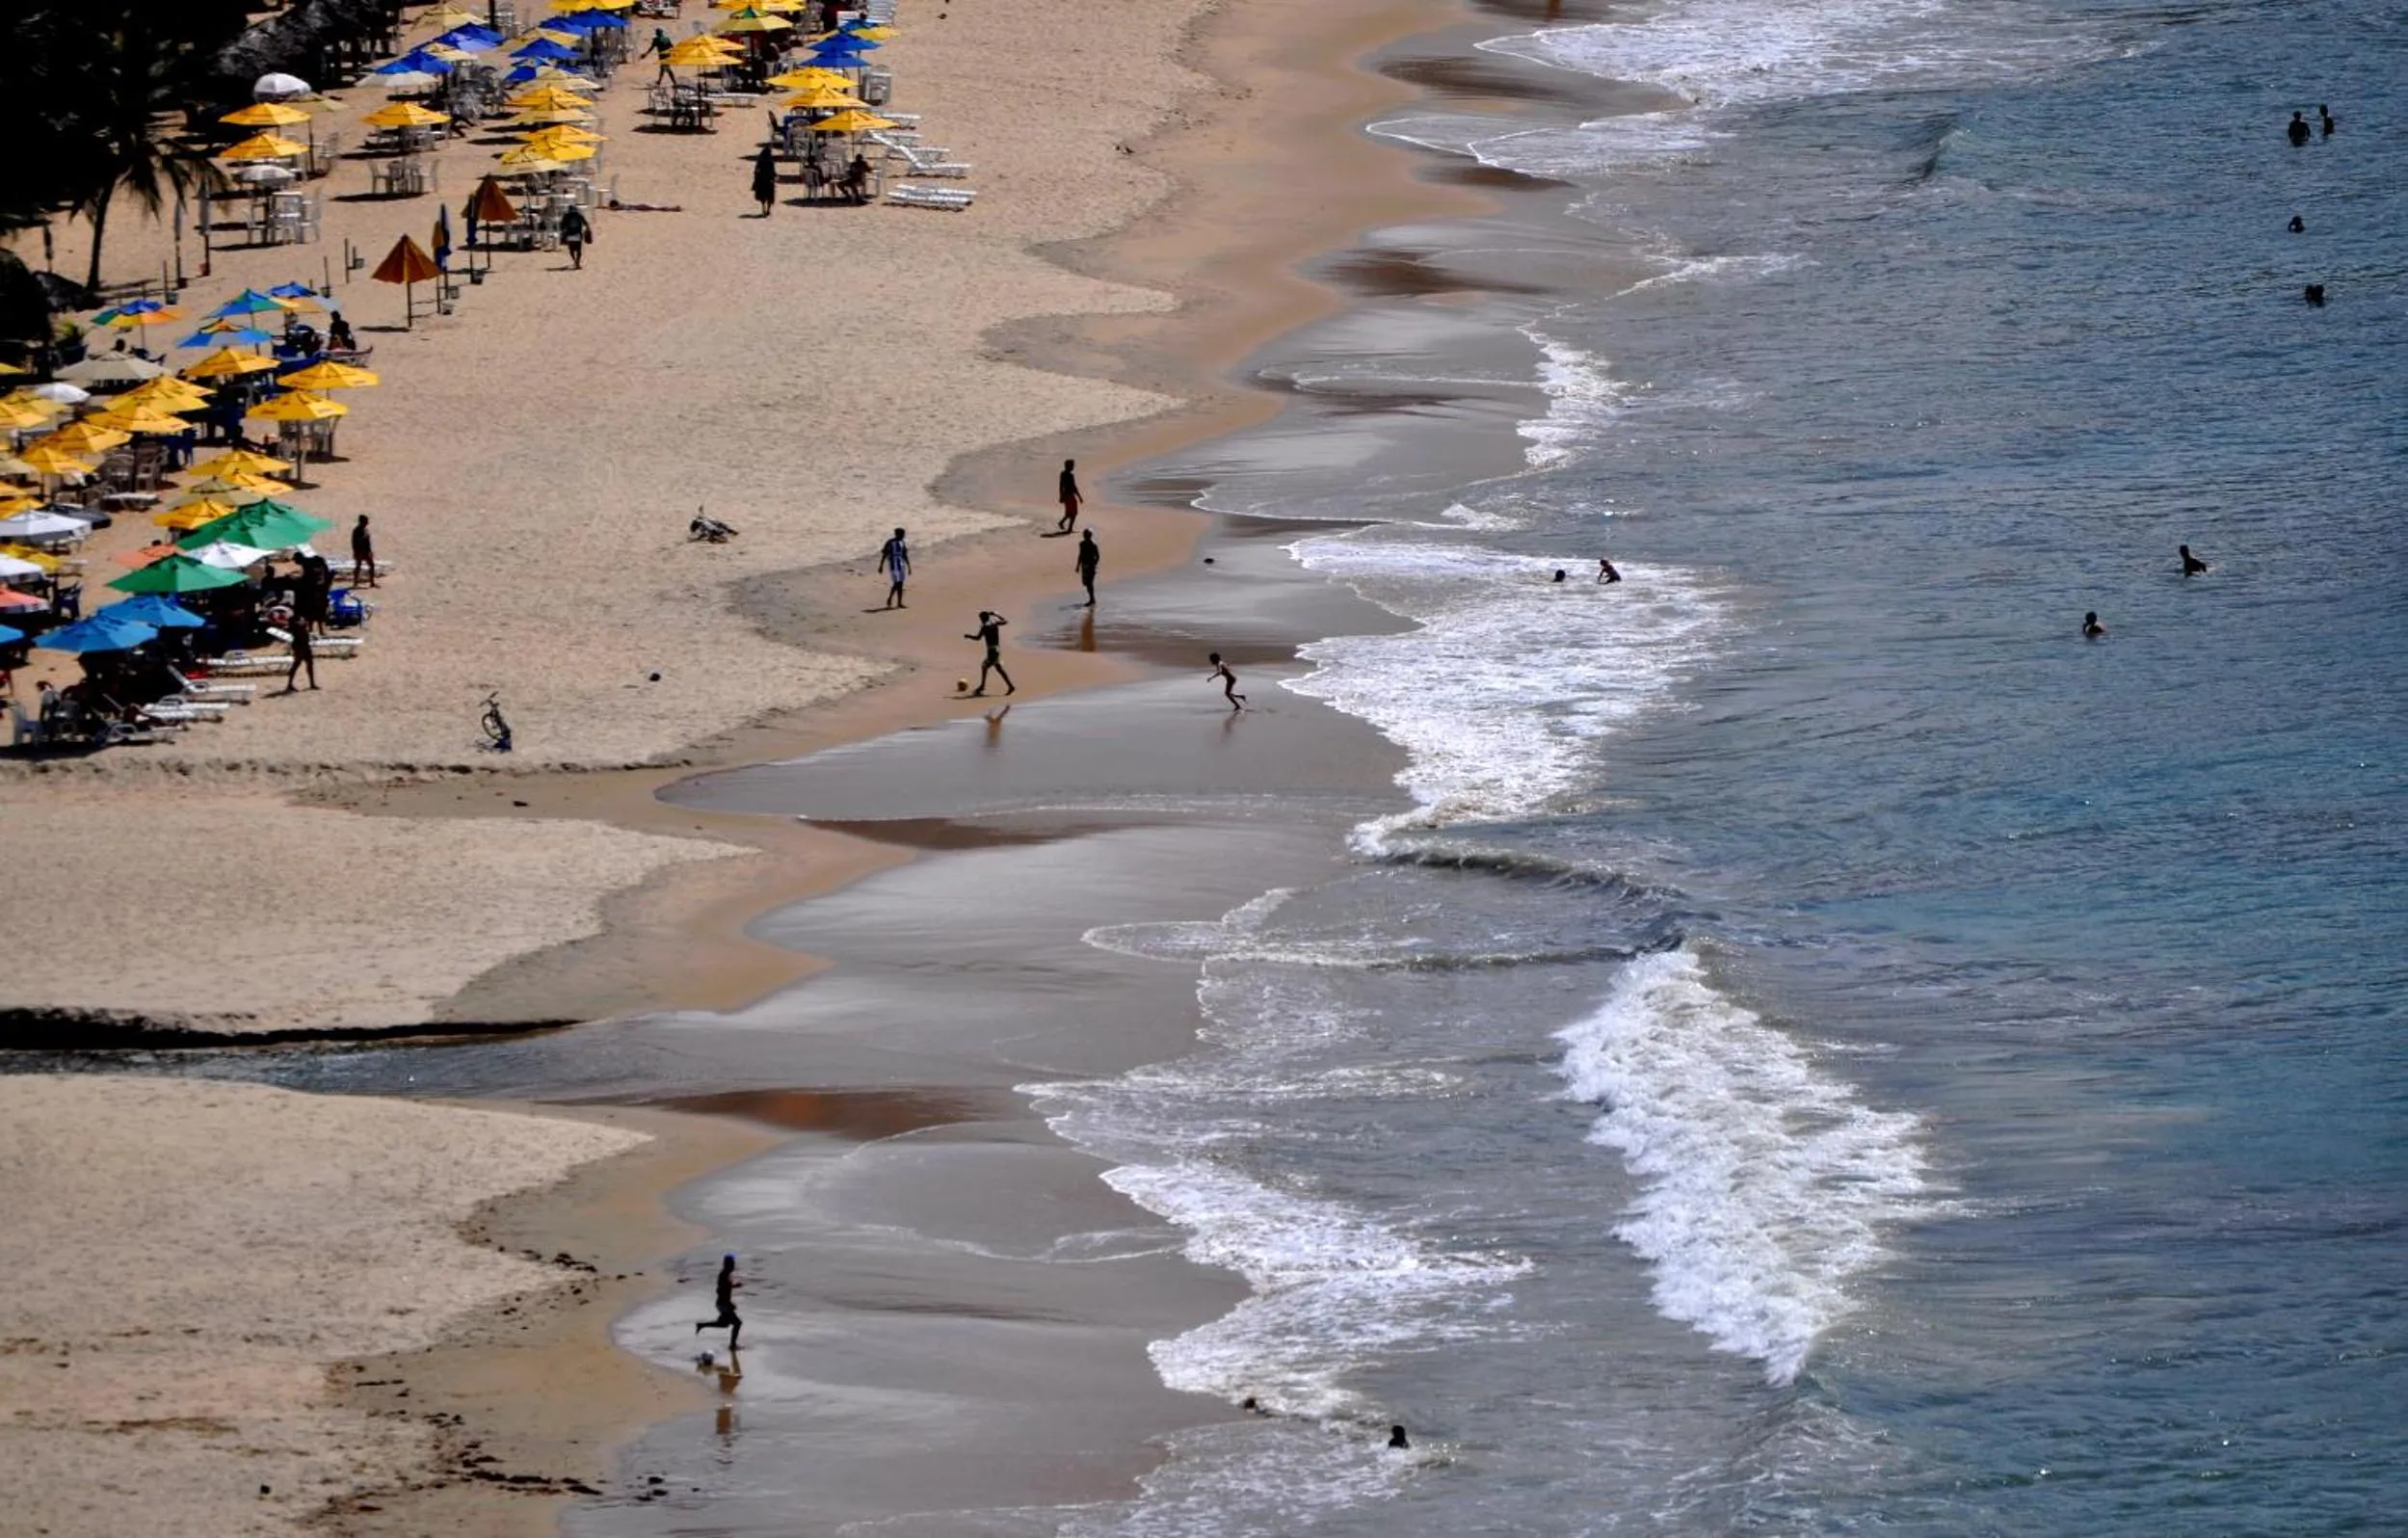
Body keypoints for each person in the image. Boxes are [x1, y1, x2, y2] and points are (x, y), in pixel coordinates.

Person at [693, 1253, 743, 1350]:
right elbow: (720, 1290)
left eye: (733, 1263)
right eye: (732, 1263)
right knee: (737, 1323)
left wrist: (734, 1286)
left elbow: (724, 1288)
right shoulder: (724, 1275)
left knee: (724, 1324)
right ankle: (732, 1345)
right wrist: (729, 1304)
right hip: (723, 1304)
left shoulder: (726, 1274)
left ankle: (701, 1325)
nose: (734, 1265)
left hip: (722, 1304)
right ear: (727, 1264)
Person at [966, 611, 1014, 696]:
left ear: (983, 618)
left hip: (992, 651)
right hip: (997, 649)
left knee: (985, 666)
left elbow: (978, 638)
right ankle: (1010, 686)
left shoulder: (985, 627)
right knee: (998, 669)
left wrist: (968, 636)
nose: (980, 620)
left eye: (981, 618)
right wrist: (996, 614)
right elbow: (1005, 621)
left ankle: (982, 686)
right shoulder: (994, 623)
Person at [282, 613, 318, 692]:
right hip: (299, 646)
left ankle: (312, 683)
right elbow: (295, 627)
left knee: (310, 664)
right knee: (296, 664)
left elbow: (304, 625)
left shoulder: (300, 618)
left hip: (305, 644)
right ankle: (289, 684)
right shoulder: (293, 621)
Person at [879, 526, 911, 608]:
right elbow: (884, 554)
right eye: (902, 534)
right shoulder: (890, 542)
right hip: (894, 565)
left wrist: (909, 566)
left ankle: (899, 602)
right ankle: (890, 598)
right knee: (897, 583)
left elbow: (904, 555)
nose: (903, 536)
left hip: (901, 564)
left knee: (901, 583)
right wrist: (881, 565)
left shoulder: (902, 542)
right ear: (897, 534)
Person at [558, 205, 592, 270]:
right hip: (578, 235)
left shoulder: (566, 216)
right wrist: (588, 230)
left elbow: (562, 226)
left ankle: (575, 261)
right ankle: (577, 263)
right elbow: (586, 223)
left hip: (569, 235)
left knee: (571, 250)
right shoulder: (579, 215)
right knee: (579, 251)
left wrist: (563, 232)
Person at [1073, 528, 1099, 606]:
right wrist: (1078, 566)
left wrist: (1094, 565)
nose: (1085, 536)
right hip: (1085, 566)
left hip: (1090, 566)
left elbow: (1097, 556)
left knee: (1089, 583)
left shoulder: (1093, 545)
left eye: (1087, 535)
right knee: (1086, 583)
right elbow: (1080, 555)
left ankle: (1092, 599)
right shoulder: (1082, 544)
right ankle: (1092, 599)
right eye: (1085, 535)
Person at [1056, 458, 1082, 532]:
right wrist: (1079, 497)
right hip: (1069, 495)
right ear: (1068, 466)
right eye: (1072, 465)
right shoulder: (1069, 475)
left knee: (1069, 512)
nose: (1073, 467)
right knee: (1074, 513)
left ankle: (1062, 523)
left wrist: (1061, 496)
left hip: (1066, 495)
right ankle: (1069, 528)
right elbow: (1073, 487)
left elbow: (1061, 486)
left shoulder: (1063, 474)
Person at [752, 145, 779, 216]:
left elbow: (756, 171)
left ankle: (763, 208)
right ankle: (768, 210)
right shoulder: (771, 161)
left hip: (762, 181)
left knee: (763, 197)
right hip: (769, 181)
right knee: (770, 197)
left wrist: (756, 178)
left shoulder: (760, 161)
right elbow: (773, 171)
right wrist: (775, 176)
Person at [350, 515, 376, 587]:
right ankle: (355, 583)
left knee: (371, 565)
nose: (367, 522)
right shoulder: (356, 530)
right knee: (358, 566)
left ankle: (372, 582)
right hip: (360, 551)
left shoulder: (365, 529)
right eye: (366, 521)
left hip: (366, 551)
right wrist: (355, 552)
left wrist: (370, 551)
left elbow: (368, 542)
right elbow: (355, 542)